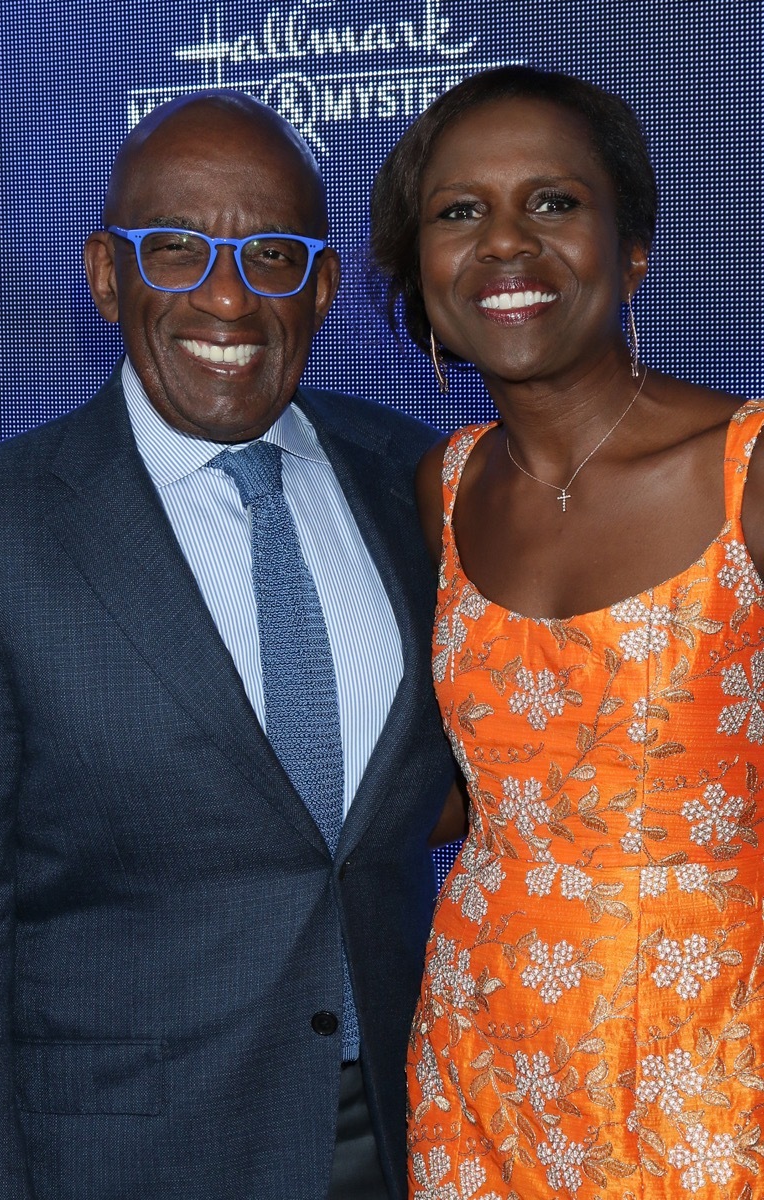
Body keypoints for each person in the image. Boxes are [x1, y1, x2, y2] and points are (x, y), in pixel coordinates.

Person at [0, 91, 456, 1200]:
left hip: (411, 1125)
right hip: (125, 1159)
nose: (228, 296)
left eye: (272, 254)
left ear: (322, 286)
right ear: (105, 275)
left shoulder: (417, 481)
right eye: (175, 249)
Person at [370, 65, 764, 1196]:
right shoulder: (440, 490)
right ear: (420, 269)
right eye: (458, 212)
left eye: (552, 202)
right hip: (480, 1064)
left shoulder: (741, 469)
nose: (504, 243)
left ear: (630, 246)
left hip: (712, 1063)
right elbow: (455, 779)